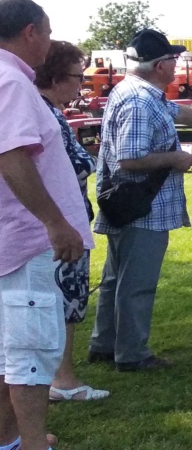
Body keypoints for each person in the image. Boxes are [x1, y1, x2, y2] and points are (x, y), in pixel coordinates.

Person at [89, 29, 192, 372]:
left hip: (125, 204)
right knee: (137, 285)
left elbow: (175, 112)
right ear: (160, 65)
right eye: (172, 59)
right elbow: (129, 159)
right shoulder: (140, 101)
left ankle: (103, 344)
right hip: (141, 208)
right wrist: (175, 159)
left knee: (115, 278)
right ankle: (132, 355)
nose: (177, 64)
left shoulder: (138, 92)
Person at [0, 0, 88, 450]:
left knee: (12, 351)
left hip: (15, 238)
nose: (49, 41)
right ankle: (33, 444)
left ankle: (10, 440)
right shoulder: (11, 82)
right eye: (48, 32)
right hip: (28, 239)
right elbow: (11, 158)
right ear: (30, 32)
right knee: (30, 352)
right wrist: (55, 223)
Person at [33, 41, 109, 402]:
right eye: (78, 77)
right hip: (59, 228)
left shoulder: (49, 112)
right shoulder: (45, 114)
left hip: (62, 221)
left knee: (61, 301)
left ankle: (53, 377)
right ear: (56, 77)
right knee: (64, 302)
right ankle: (62, 380)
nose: (81, 84)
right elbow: (70, 166)